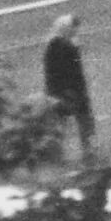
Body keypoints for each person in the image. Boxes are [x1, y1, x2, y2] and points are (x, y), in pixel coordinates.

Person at [41, 14, 94, 157]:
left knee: (59, 126)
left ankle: (56, 157)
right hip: (71, 93)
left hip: (56, 92)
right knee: (85, 121)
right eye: (74, 29)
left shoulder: (52, 45)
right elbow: (74, 72)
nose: (76, 32)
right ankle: (89, 152)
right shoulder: (66, 46)